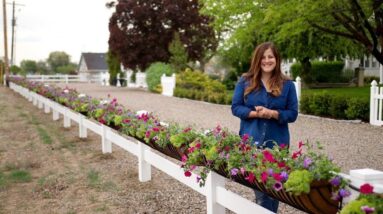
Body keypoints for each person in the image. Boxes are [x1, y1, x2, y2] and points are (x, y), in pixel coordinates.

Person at [231, 42, 298, 212]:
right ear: (257, 59)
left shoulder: (287, 85)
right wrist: (256, 114)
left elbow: (292, 113)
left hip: (277, 144)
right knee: (261, 190)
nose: (267, 60)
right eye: (263, 57)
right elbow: (236, 107)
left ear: (277, 59)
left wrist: (273, 113)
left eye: (271, 57)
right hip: (251, 141)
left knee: (271, 189)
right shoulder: (245, 81)